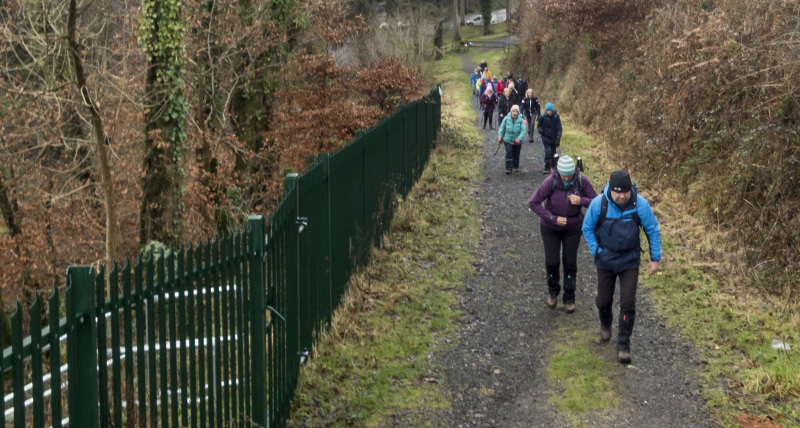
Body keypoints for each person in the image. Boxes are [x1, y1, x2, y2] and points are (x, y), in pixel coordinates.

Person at [582, 170, 661, 364]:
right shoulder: (598, 203)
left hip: (629, 260)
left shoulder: (640, 205)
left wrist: (655, 258)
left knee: (628, 302)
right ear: (611, 189)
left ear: (630, 190)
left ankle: (624, 345)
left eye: (625, 192)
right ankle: (606, 323)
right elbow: (587, 228)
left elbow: (652, 230)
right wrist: (596, 250)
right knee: (603, 300)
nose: (622, 196)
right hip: (605, 259)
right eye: (618, 192)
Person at [528, 155, 597, 311]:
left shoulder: (581, 180)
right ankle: (553, 292)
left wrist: (582, 201)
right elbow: (533, 202)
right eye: (563, 175)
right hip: (550, 228)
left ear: (574, 172)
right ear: (558, 172)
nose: (566, 178)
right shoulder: (550, 181)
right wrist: (552, 218)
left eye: (569, 175)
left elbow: (597, 200)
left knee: (570, 263)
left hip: (573, 227)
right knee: (552, 261)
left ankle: (569, 298)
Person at [497, 104, 527, 174]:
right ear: (511, 111)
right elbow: (501, 128)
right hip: (507, 139)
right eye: (513, 111)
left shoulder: (521, 120)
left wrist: (518, 139)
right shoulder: (506, 118)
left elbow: (523, 130)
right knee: (509, 152)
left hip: (517, 140)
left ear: (518, 112)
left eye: (516, 111)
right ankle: (508, 168)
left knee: (516, 153)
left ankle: (515, 166)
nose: (514, 113)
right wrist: (500, 137)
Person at [538, 102, 562, 175]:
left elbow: (559, 129)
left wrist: (558, 139)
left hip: (554, 138)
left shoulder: (556, 117)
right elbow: (539, 126)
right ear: (546, 111)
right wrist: (540, 130)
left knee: (554, 153)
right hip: (546, 137)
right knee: (548, 151)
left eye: (550, 111)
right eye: (547, 110)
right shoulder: (542, 117)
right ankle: (547, 167)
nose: (549, 112)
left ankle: (554, 166)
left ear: (552, 110)